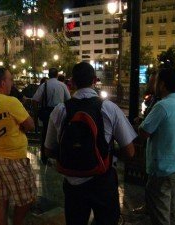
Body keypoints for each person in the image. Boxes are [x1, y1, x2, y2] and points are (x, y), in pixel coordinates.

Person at [44, 62, 137, 225]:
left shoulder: (60, 110)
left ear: (71, 82)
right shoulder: (109, 108)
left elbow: (48, 150)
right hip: (102, 182)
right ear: (95, 80)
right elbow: (129, 151)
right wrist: (106, 153)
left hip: (73, 184)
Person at [0, 66, 37, 225]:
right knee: (27, 198)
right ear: (2, 83)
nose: (12, 83)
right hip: (12, 158)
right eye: (10, 79)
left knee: (1, 198)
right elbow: (31, 125)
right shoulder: (11, 101)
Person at [138, 68, 175, 225]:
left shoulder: (162, 106)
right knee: (174, 210)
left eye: (156, 82)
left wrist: (140, 125)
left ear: (162, 85)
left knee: (160, 215)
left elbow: (144, 132)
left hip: (161, 171)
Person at [32, 68, 71, 164]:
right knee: (61, 133)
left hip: (47, 112)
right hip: (61, 112)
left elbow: (35, 100)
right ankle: (60, 157)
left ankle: (45, 158)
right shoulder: (62, 85)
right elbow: (69, 100)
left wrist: (35, 114)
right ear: (57, 75)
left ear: (48, 75)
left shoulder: (44, 85)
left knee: (45, 134)